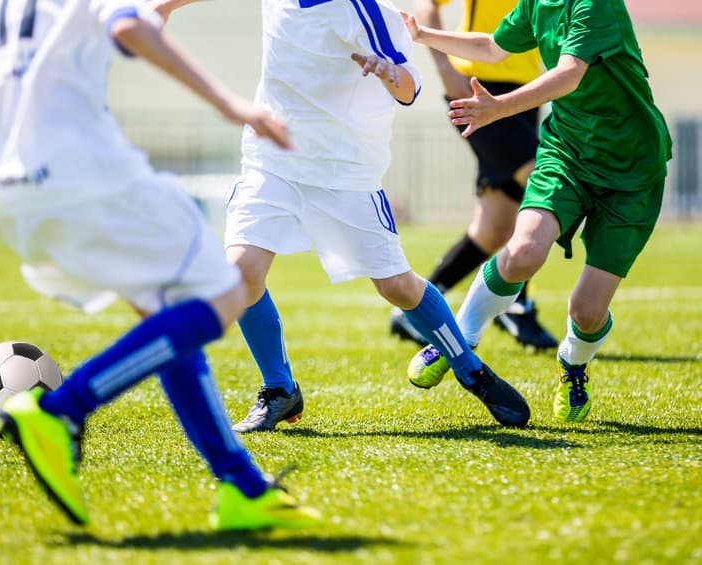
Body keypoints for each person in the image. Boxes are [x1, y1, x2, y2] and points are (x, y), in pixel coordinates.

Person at [0, 0, 323, 530]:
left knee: (162, 317)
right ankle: (62, 412)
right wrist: (231, 104)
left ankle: (241, 487)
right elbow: (127, 24)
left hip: (6, 198)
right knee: (228, 294)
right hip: (87, 178)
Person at [209, 0, 530, 432]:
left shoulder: (369, 11)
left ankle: (470, 368)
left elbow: (411, 88)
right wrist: (164, 8)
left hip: (345, 169)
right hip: (273, 158)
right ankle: (279, 389)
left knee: (396, 286)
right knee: (240, 275)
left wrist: (387, 72)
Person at [402, 0, 672, 422]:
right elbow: (492, 48)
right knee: (524, 249)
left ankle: (573, 363)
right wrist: (424, 35)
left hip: (632, 171)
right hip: (567, 154)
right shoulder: (535, 4)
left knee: (586, 312)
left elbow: (569, 73)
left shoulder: (594, 5)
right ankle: (459, 337)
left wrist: (499, 108)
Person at [389, 0, 557, 352]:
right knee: (540, 180)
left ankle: (413, 310)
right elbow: (426, 6)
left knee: (495, 224)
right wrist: (445, 70)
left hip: (525, 92)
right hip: (478, 88)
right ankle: (516, 304)